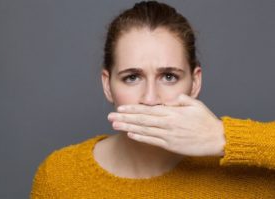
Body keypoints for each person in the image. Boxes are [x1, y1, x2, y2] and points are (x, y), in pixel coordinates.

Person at [30, 1, 275, 198]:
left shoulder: (247, 180)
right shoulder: (60, 178)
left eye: (168, 76)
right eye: (132, 77)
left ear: (195, 82)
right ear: (107, 84)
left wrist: (224, 137)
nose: (150, 99)